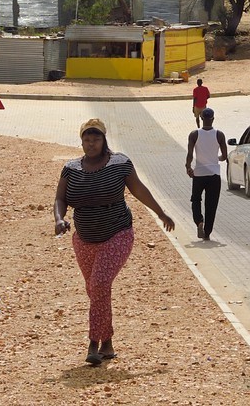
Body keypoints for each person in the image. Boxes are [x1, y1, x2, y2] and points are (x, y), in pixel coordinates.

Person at [54, 119, 175, 367]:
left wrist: (161, 213)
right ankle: (107, 341)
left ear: (104, 139)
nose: (91, 144)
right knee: (95, 289)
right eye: (87, 140)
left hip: (117, 234)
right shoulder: (71, 168)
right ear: (81, 141)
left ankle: (93, 343)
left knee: (99, 283)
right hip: (84, 239)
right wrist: (59, 218)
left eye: (96, 139)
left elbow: (139, 190)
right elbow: (60, 198)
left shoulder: (120, 163)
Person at [185, 107, 229, 241]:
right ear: (213, 119)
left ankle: (199, 221)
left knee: (196, 199)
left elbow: (190, 154)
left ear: (202, 119)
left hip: (199, 174)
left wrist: (188, 167)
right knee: (211, 204)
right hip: (214, 175)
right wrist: (216, 159)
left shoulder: (194, 134)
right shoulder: (219, 135)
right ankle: (207, 233)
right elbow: (225, 156)